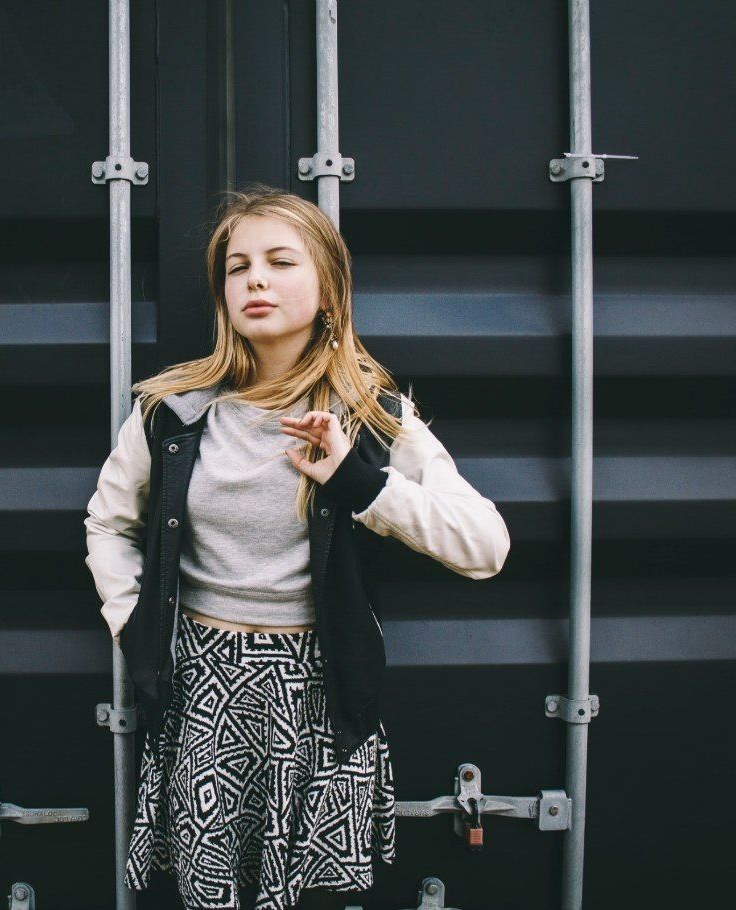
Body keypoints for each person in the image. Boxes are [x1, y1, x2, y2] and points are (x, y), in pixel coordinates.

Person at [83, 185, 510, 910]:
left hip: (318, 690)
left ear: (329, 290)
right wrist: (136, 627)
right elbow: (108, 523)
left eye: (281, 261)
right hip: (202, 689)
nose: (255, 279)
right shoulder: (173, 411)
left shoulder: (372, 417)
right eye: (237, 266)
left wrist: (359, 482)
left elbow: (485, 547)